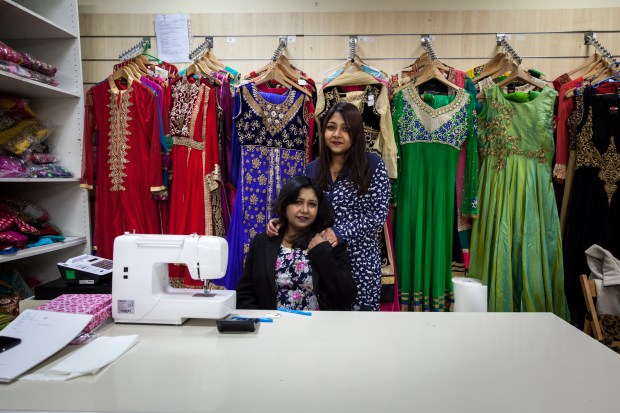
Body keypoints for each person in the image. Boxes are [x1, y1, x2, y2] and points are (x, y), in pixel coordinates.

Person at [268, 102, 391, 311]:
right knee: (325, 323)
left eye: (345, 129)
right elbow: (305, 208)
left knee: (358, 326)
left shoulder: (372, 165)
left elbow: (378, 214)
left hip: (359, 261)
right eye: (331, 127)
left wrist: (340, 232)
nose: (337, 134)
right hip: (322, 260)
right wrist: (283, 221)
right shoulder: (313, 169)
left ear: (356, 133)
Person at [236, 175, 357, 311]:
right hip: (272, 327)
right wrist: (261, 323)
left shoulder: (328, 241)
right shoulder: (262, 242)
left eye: (312, 204)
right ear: (285, 204)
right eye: (298, 202)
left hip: (318, 328)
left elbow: (347, 296)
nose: (304, 210)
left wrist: (322, 253)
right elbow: (245, 294)